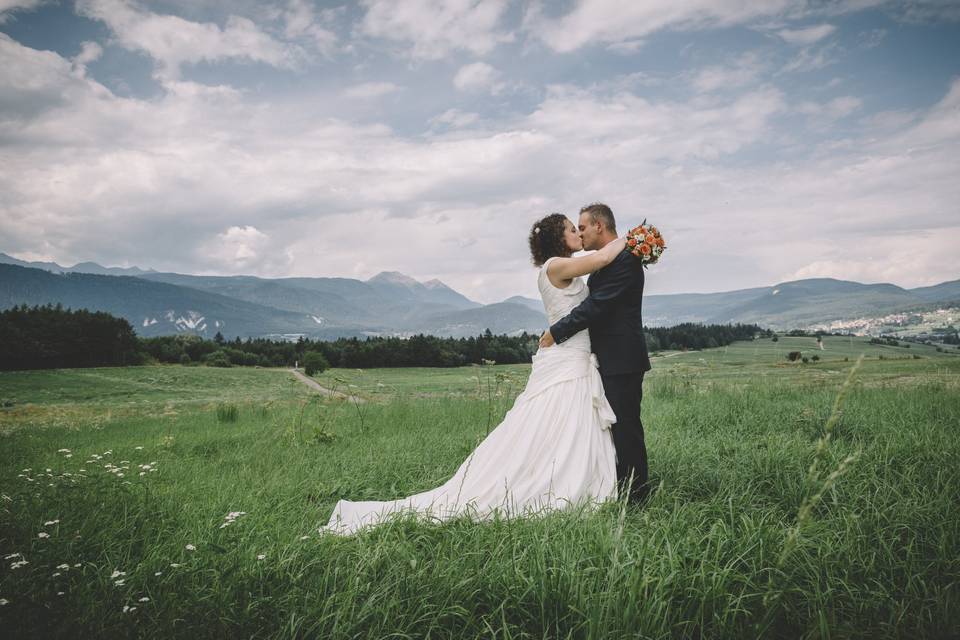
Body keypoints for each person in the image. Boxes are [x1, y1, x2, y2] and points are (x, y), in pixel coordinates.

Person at [320, 213, 628, 535]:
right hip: (567, 361)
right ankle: (550, 480)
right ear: (557, 239)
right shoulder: (556, 266)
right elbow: (605, 256)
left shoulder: (561, 267)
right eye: (570, 229)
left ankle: (567, 474)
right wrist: (636, 240)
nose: (577, 233)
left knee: (563, 425)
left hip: (573, 358)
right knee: (550, 424)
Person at [540, 203, 652, 504]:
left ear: (599, 226)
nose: (580, 232)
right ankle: (612, 486)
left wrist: (556, 332)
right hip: (603, 359)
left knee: (626, 427)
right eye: (574, 228)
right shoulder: (603, 264)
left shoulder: (625, 260)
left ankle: (637, 497)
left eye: (583, 226)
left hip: (622, 359)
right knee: (610, 428)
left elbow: (596, 306)